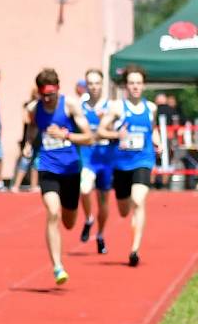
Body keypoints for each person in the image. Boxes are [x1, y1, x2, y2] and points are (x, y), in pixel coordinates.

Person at [21, 68, 93, 284]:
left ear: (58, 90)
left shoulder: (70, 105)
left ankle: (74, 212)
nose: (48, 99)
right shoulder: (35, 108)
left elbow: (89, 137)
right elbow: (33, 128)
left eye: (51, 94)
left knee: (69, 222)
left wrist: (66, 135)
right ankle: (58, 267)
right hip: (48, 168)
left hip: (71, 169)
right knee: (52, 212)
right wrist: (27, 144)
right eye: (44, 95)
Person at [97, 64, 160, 267]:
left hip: (143, 159)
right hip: (121, 163)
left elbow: (152, 130)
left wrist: (157, 141)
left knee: (138, 200)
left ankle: (134, 250)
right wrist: (117, 135)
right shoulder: (117, 108)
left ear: (143, 85)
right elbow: (100, 131)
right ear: (126, 85)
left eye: (139, 83)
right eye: (132, 83)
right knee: (124, 210)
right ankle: (132, 237)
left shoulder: (151, 108)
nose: (135, 87)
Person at [78, 69, 114, 253]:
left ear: (102, 84)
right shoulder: (80, 106)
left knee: (104, 203)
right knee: (84, 188)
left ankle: (100, 234)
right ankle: (88, 219)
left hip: (105, 158)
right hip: (88, 156)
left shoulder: (111, 107)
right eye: (90, 83)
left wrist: (107, 124)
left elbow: (120, 129)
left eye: (97, 83)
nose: (93, 87)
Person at [10, 88, 40, 193]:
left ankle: (34, 185)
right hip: (29, 138)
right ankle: (16, 185)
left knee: (36, 162)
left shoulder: (43, 106)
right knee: (25, 160)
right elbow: (26, 119)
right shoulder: (29, 105)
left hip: (40, 138)